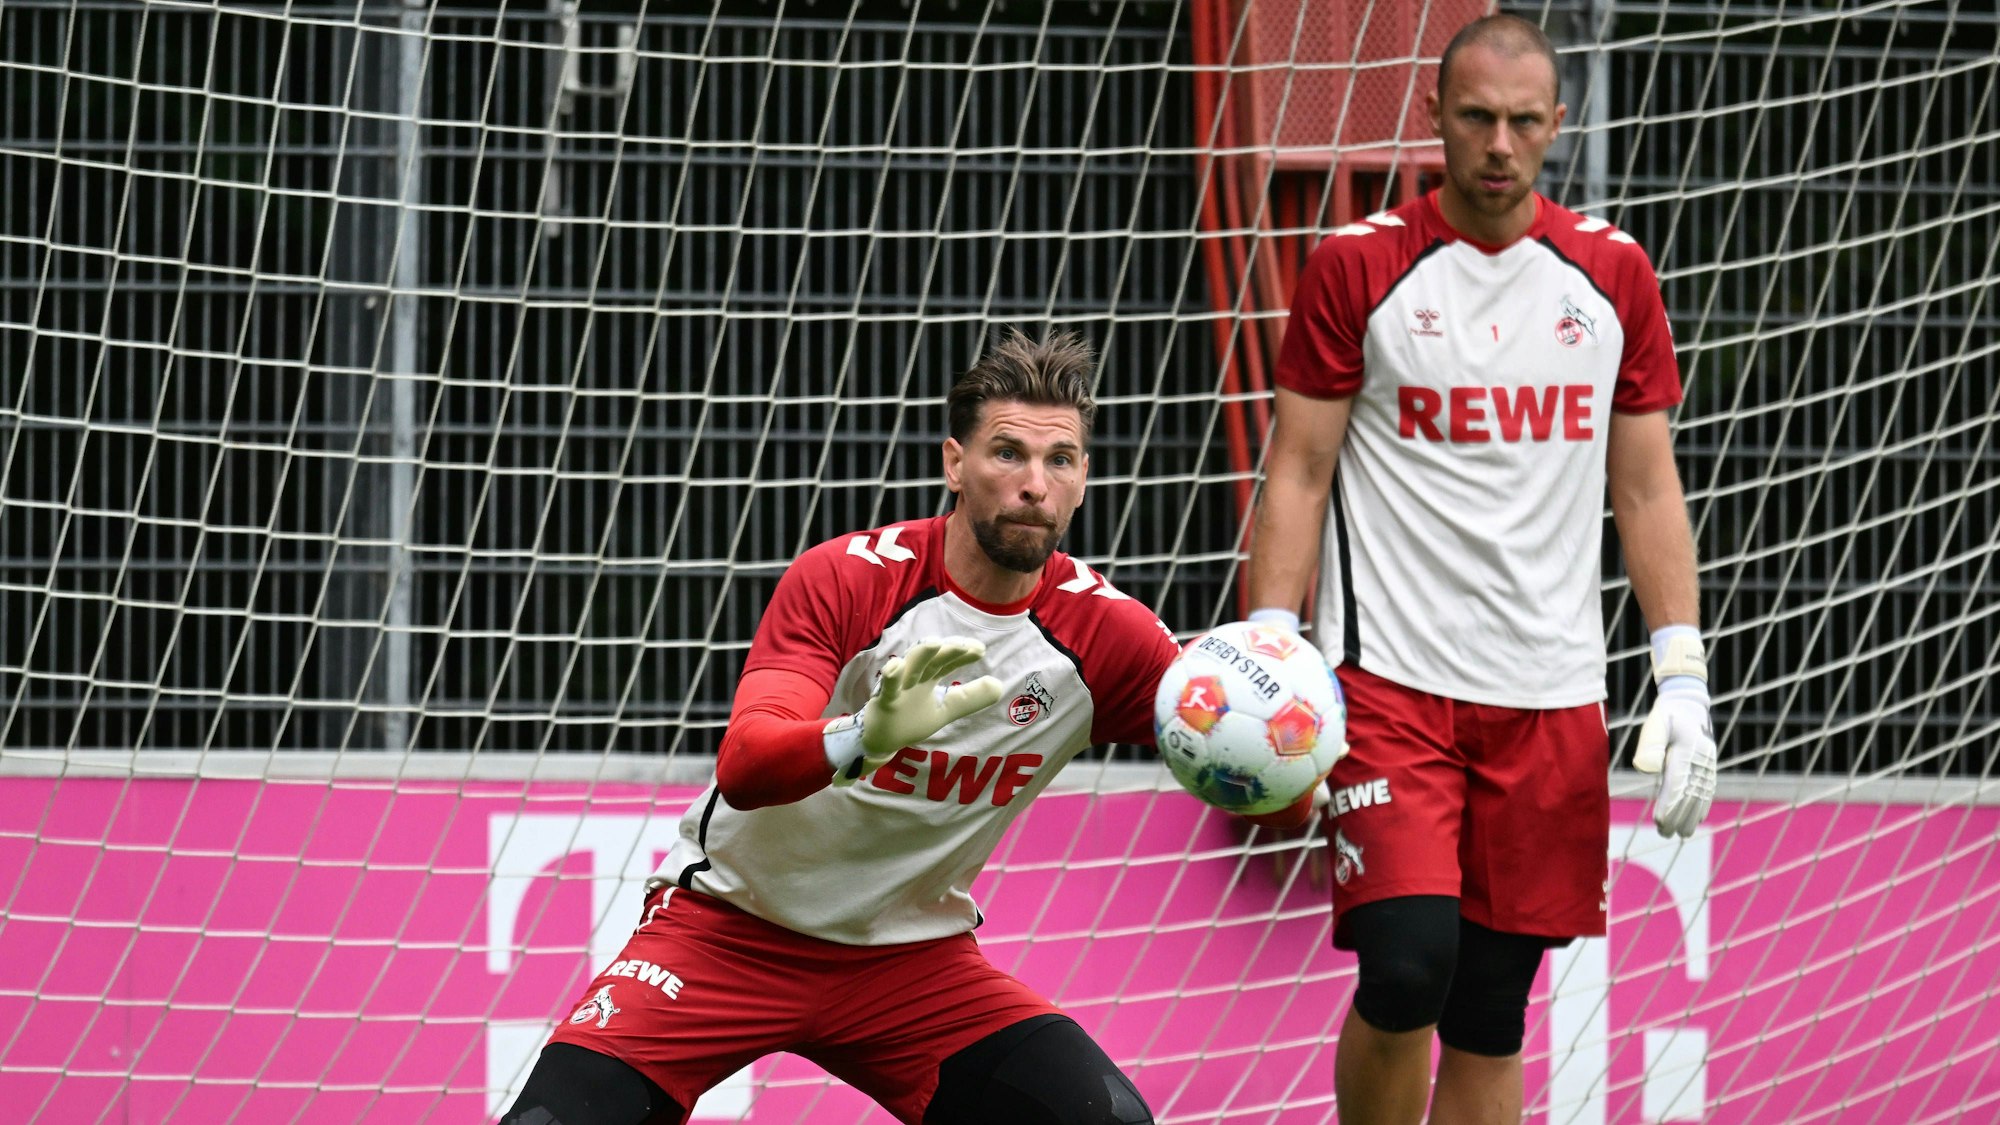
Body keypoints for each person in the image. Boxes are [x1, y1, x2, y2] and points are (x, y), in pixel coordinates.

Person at [502, 329, 1319, 1125]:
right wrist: (865, 733)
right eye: (1007, 452)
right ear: (954, 464)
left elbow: (1244, 764)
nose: (1033, 481)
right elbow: (747, 765)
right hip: (730, 931)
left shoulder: (1108, 636)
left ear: (1082, 479)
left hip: (911, 963)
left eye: (1058, 459)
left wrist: (1298, 765)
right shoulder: (848, 578)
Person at [1244, 14, 1718, 1125]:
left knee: (1490, 1007)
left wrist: (1683, 680)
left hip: (1549, 695)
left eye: (1520, 121)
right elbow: (1299, 471)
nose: (1497, 143)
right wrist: (1270, 643)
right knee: (1406, 970)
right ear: (1432, 120)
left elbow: (1645, 490)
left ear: (1559, 123)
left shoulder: (1609, 275)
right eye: (1473, 118)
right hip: (1389, 686)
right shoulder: (1357, 266)